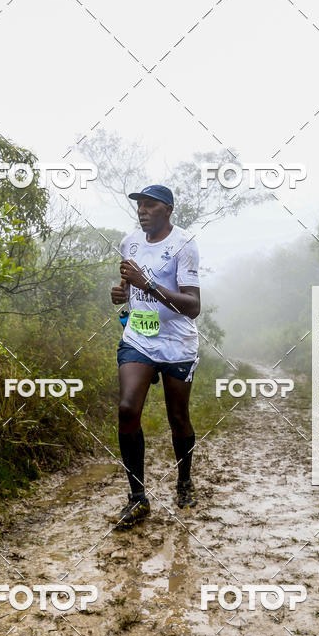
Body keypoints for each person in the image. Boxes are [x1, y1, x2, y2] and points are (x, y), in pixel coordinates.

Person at [110, 184, 201, 529]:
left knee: (178, 418)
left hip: (177, 344)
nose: (142, 211)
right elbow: (128, 290)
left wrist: (145, 284)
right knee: (127, 409)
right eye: (139, 206)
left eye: (150, 206)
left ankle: (184, 481)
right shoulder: (129, 242)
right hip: (140, 339)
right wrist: (122, 294)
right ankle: (137, 499)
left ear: (167, 210)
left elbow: (193, 306)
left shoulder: (184, 245)